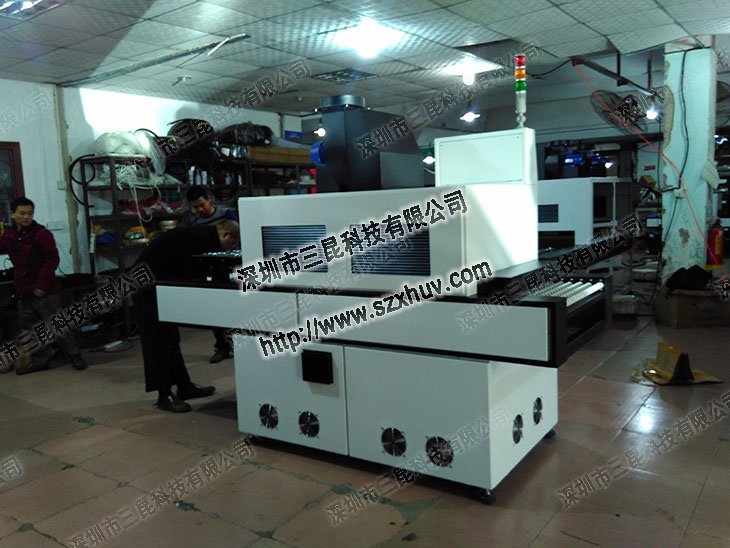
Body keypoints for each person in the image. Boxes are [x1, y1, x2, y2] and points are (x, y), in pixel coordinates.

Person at [133, 219, 240, 413]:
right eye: (232, 245)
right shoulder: (199, 239)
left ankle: (184, 387)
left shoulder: (203, 236)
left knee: (171, 338)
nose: (230, 249)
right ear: (225, 235)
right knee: (158, 341)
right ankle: (164, 395)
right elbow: (197, 270)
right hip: (147, 287)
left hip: (162, 284)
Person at [0, 197, 86, 375]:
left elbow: (52, 260)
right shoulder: (9, 235)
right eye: (22, 213)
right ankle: (41, 359)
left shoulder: (41, 234)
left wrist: (41, 286)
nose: (26, 217)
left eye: (29, 213)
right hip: (23, 289)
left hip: (44, 289)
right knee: (30, 329)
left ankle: (75, 354)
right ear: (12, 214)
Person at [185, 186, 238, 363]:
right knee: (215, 307)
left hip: (231, 265)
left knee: (236, 306)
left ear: (209, 199)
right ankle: (222, 347)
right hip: (210, 268)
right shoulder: (193, 222)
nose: (200, 209)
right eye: (195, 207)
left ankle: (242, 344)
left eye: (202, 204)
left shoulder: (226, 214)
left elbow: (238, 235)